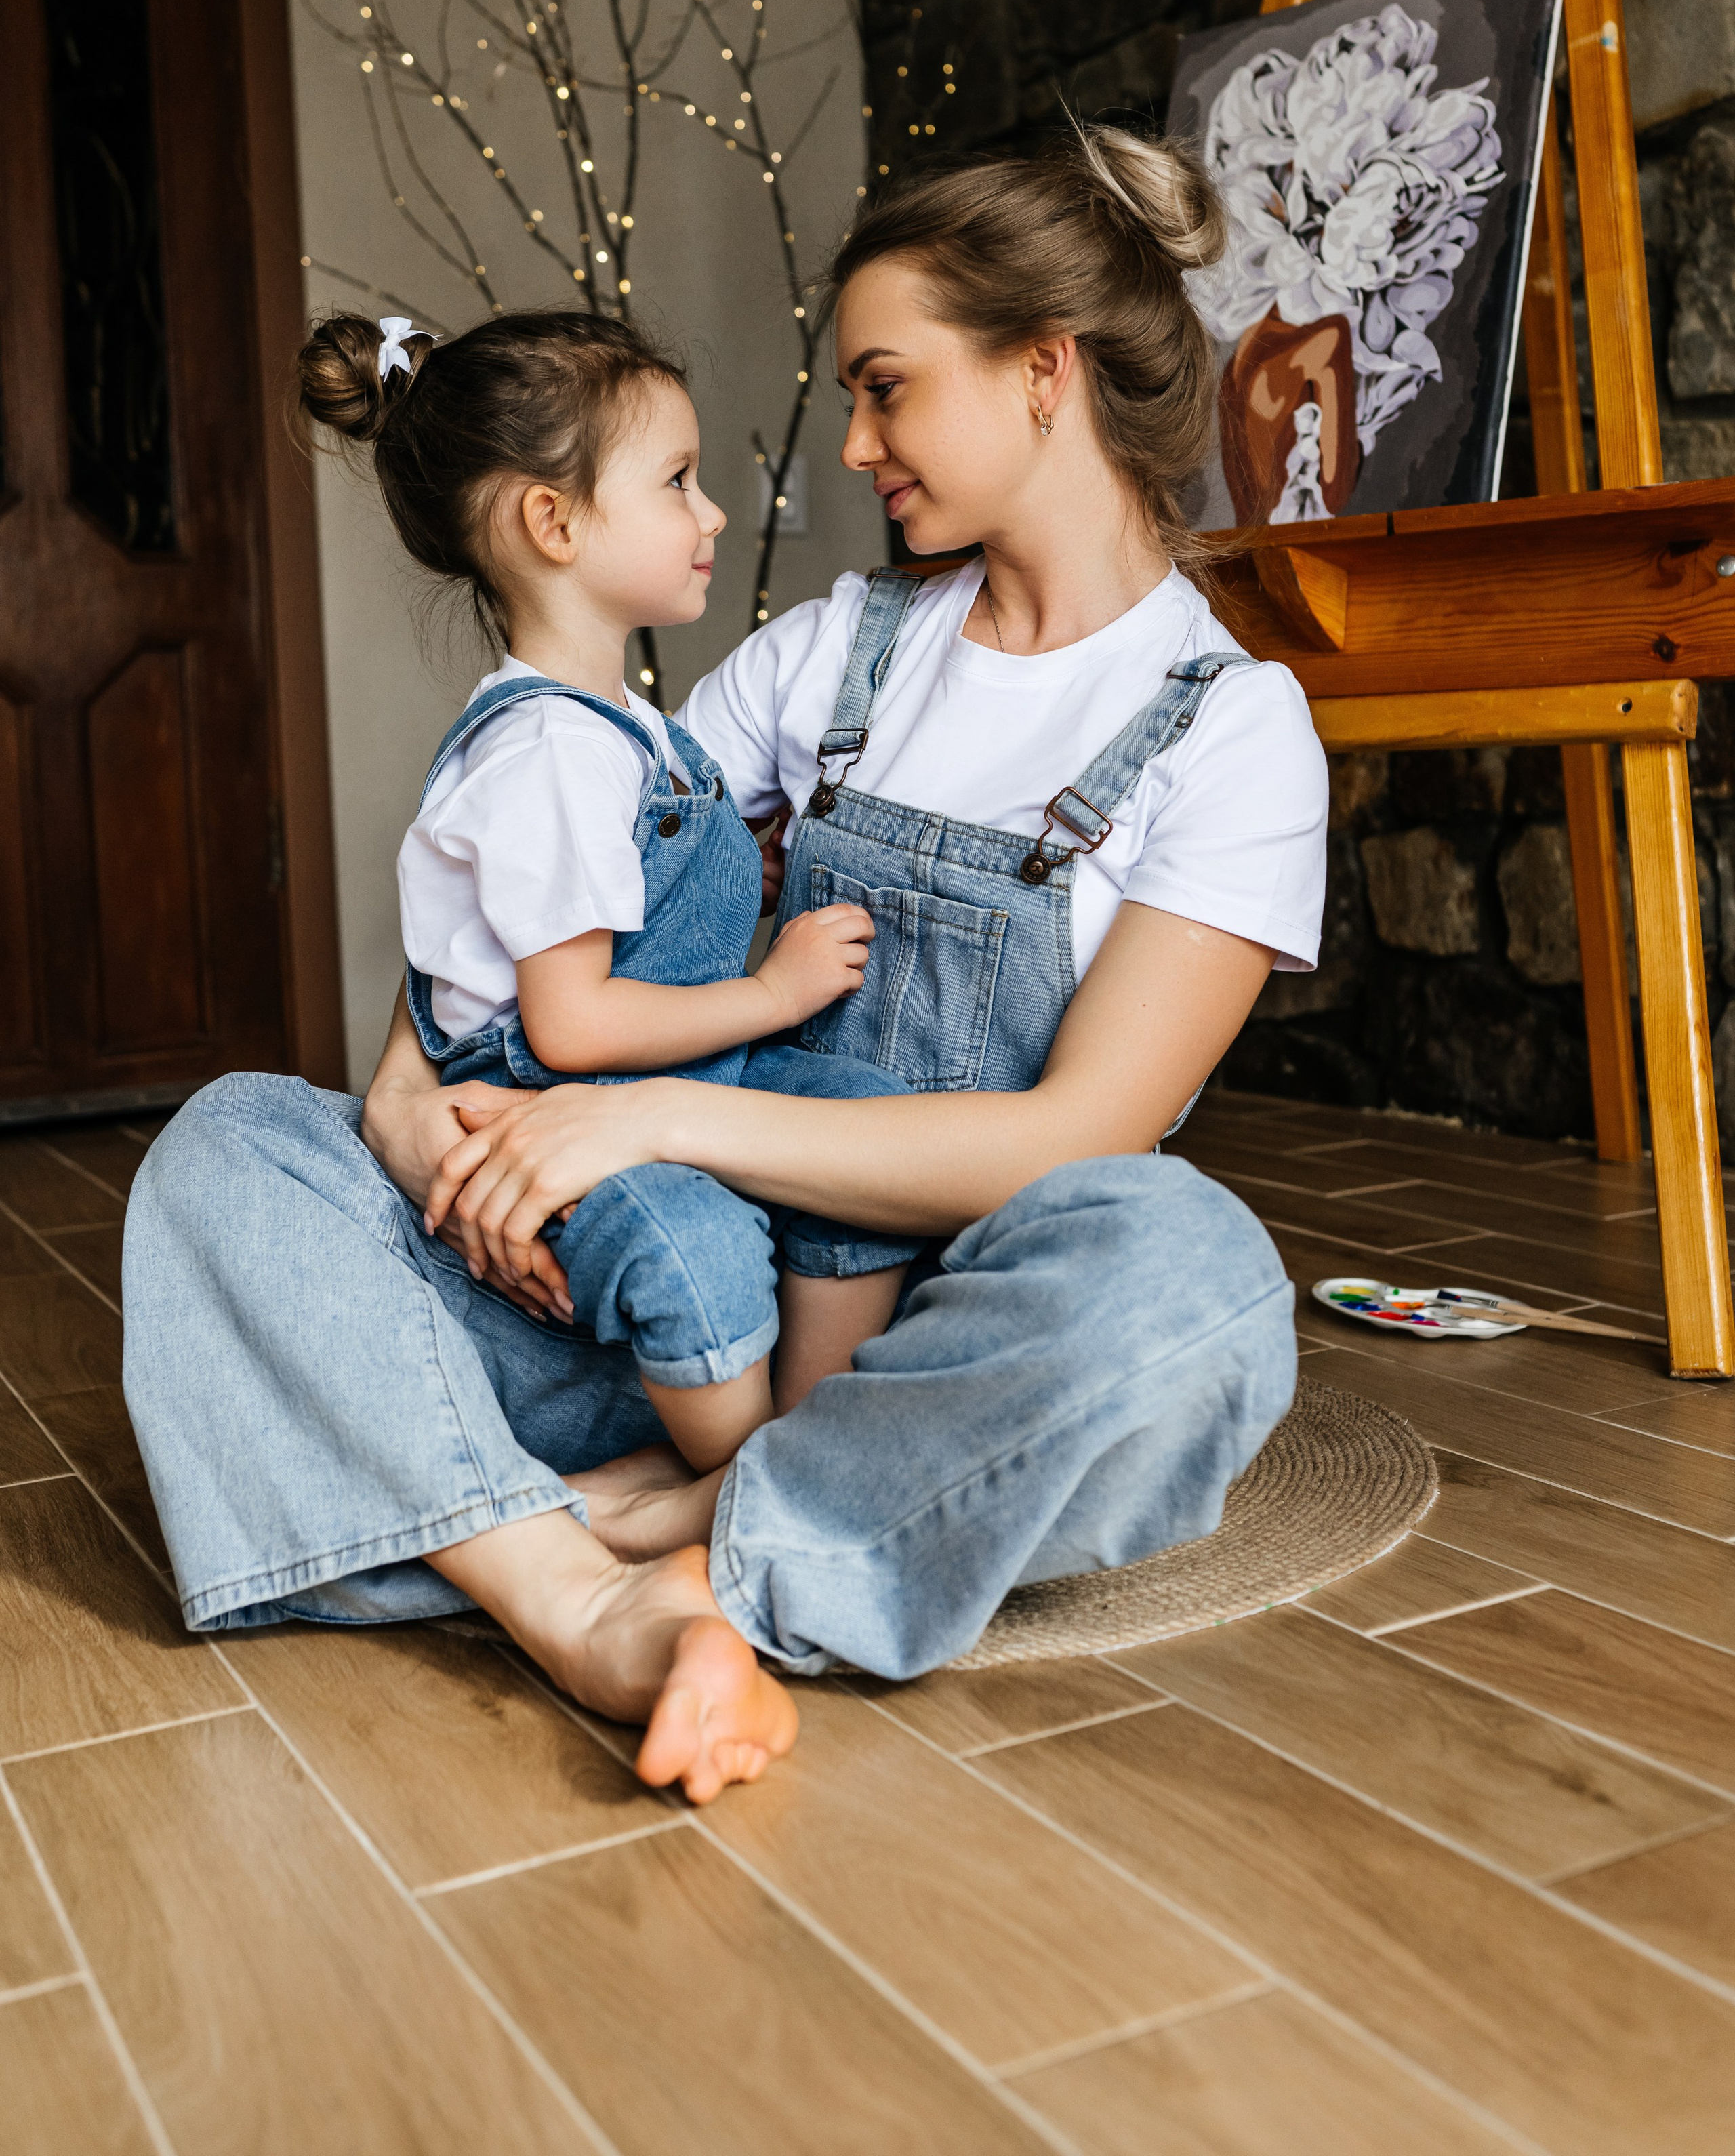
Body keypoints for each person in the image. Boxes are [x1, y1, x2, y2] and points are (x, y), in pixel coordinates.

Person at [123, 121, 1328, 1807]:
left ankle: (602, 1539)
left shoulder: (1232, 731)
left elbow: (1079, 1135)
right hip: (641, 1301)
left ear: (1041, 371)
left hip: (934, 1346)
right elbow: (549, 865)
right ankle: (610, 1587)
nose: (850, 445)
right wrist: (417, 1122)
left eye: (885, 387)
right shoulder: (843, 647)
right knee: (232, 1152)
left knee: (1190, 1289)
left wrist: (655, 1117)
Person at [300, 307, 919, 1475]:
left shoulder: (625, 728)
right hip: (552, 1094)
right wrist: (775, 990)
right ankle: (742, 1488)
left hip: (666, 1076)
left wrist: (733, 874)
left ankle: (812, 1426)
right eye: (678, 482)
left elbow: (634, 900)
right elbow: (570, 1020)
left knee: (862, 1123)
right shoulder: (545, 752)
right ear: (555, 520)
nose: (713, 513)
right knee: (689, 1253)